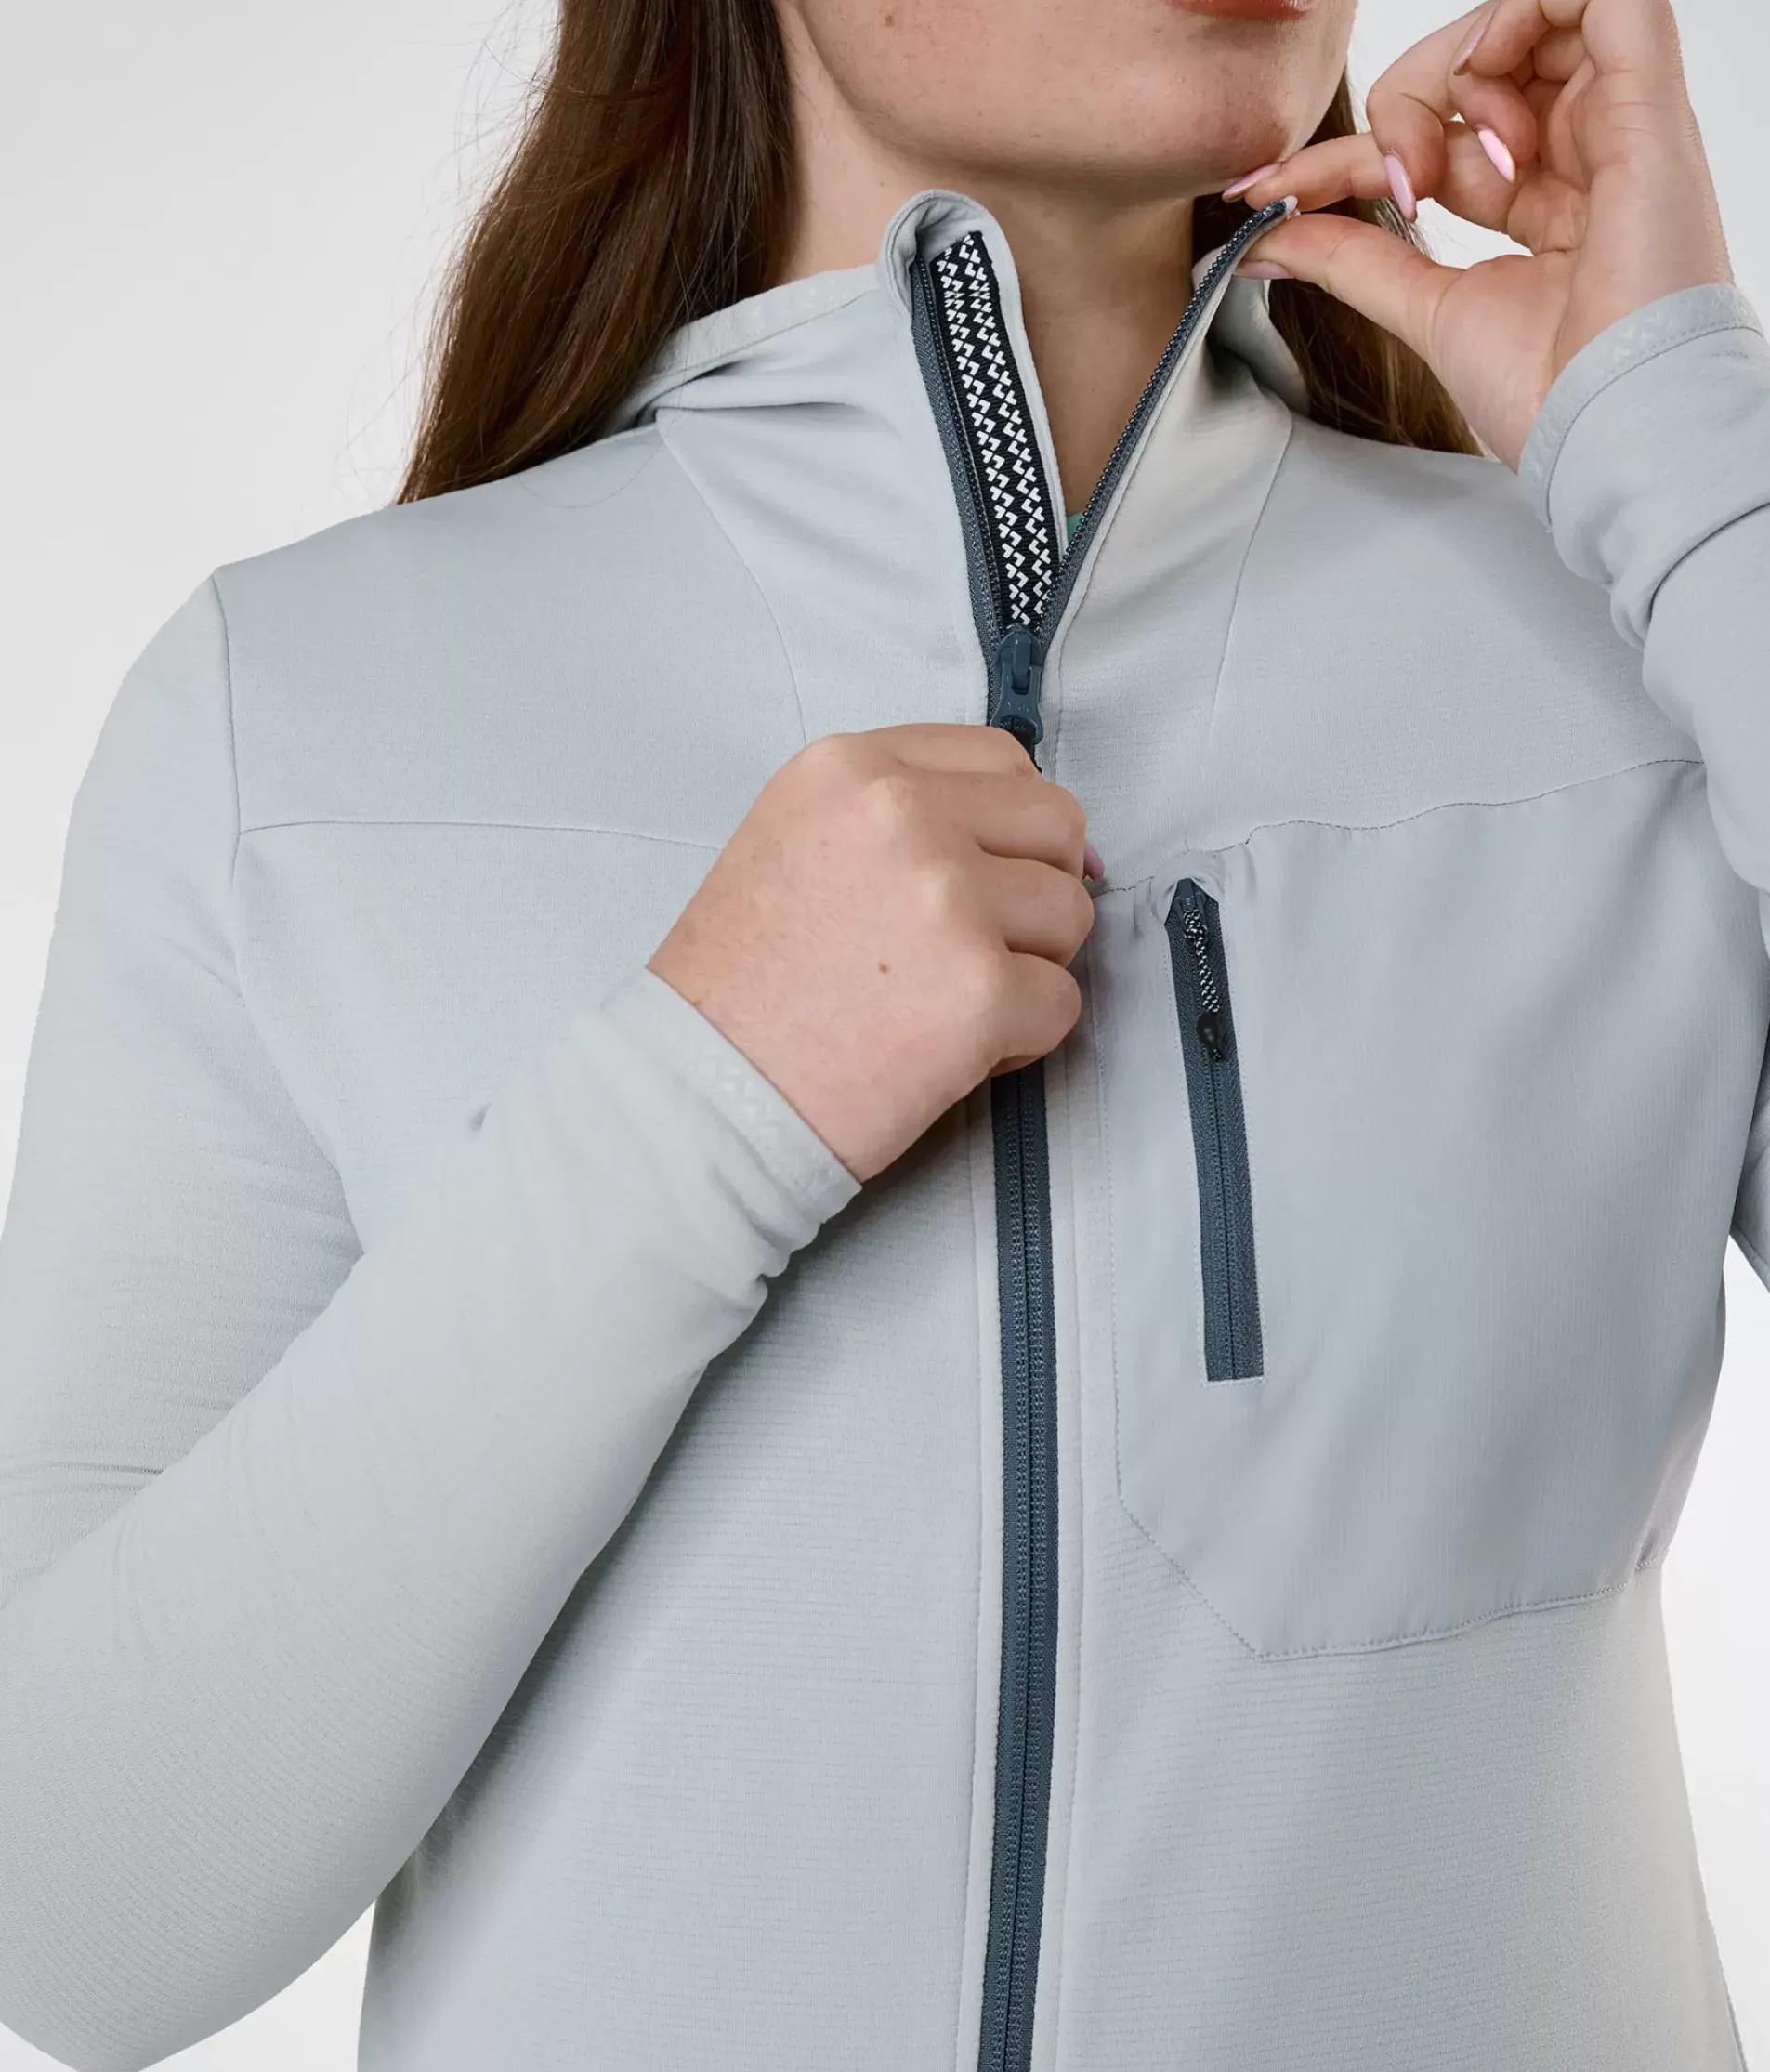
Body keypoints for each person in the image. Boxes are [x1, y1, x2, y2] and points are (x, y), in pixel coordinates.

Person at [0, 0, 1762, 2065]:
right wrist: (700, 1098)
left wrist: (1689, 472)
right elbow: (72, 1910)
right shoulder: (295, 714)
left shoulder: (1642, 657)